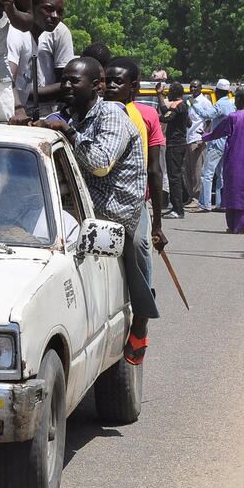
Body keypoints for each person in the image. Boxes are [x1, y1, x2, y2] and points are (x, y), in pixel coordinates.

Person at [36, 57, 148, 363]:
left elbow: (99, 165)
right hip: (83, 203)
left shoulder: (110, 115)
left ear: (96, 86)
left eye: (74, 81)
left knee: (139, 251)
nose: (66, 85)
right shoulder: (76, 115)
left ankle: (140, 322)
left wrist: (69, 134)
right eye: (64, 80)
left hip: (112, 210)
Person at [102, 56, 166, 362]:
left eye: (118, 81)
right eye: (107, 80)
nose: (111, 86)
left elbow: (155, 170)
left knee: (139, 246)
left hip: (134, 200)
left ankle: (141, 323)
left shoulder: (147, 115)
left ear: (134, 87)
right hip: (98, 198)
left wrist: (157, 225)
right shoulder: (94, 111)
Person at [203, 88, 244, 234]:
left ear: (238, 100)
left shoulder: (232, 118)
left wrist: (203, 137)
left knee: (231, 190)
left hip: (232, 160)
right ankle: (240, 226)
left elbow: (217, 132)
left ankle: (232, 225)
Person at [6, 0, 66, 121]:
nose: (55, 16)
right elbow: (7, 76)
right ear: (31, 8)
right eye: (48, 9)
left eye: (60, 12)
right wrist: (19, 110)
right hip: (4, 114)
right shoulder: (17, 34)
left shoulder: (32, 39)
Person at [194, 79, 234, 212]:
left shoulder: (220, 104)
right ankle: (221, 204)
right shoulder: (230, 104)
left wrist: (193, 104)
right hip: (226, 143)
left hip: (217, 143)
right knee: (221, 174)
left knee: (206, 174)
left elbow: (206, 115)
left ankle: (205, 204)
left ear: (217, 91)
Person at [158, 82, 190, 218]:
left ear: (175, 93)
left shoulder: (177, 105)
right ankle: (178, 205)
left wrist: (152, 116)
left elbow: (166, 117)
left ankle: (178, 210)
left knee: (174, 177)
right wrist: (159, 95)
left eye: (170, 91)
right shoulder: (183, 105)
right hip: (180, 144)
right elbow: (188, 122)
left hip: (175, 145)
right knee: (176, 175)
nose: (168, 94)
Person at [184, 79, 211, 206]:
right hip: (188, 138)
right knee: (188, 170)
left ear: (200, 88)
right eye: (191, 87)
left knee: (197, 170)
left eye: (195, 87)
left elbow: (209, 121)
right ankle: (191, 196)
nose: (193, 89)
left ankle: (197, 198)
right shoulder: (189, 101)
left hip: (198, 139)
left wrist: (204, 137)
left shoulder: (205, 102)